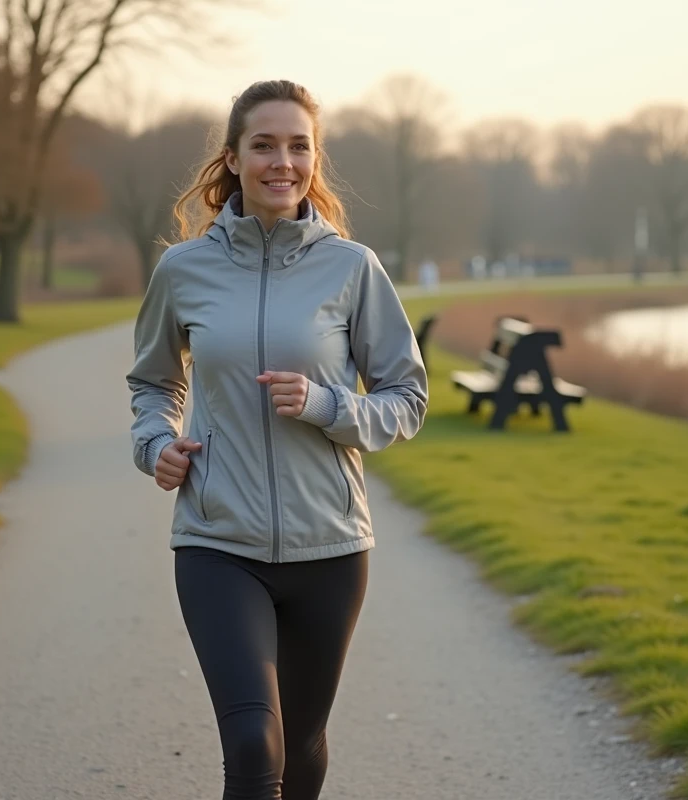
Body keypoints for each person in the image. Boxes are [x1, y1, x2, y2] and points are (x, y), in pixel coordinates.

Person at [125, 79, 428, 800]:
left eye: (299, 146)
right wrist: (154, 444)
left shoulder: (352, 269)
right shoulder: (183, 269)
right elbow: (152, 382)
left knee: (300, 742)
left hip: (330, 547)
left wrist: (326, 404)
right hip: (217, 542)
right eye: (264, 145)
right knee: (252, 741)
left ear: (314, 161)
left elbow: (407, 398)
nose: (281, 161)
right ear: (233, 158)